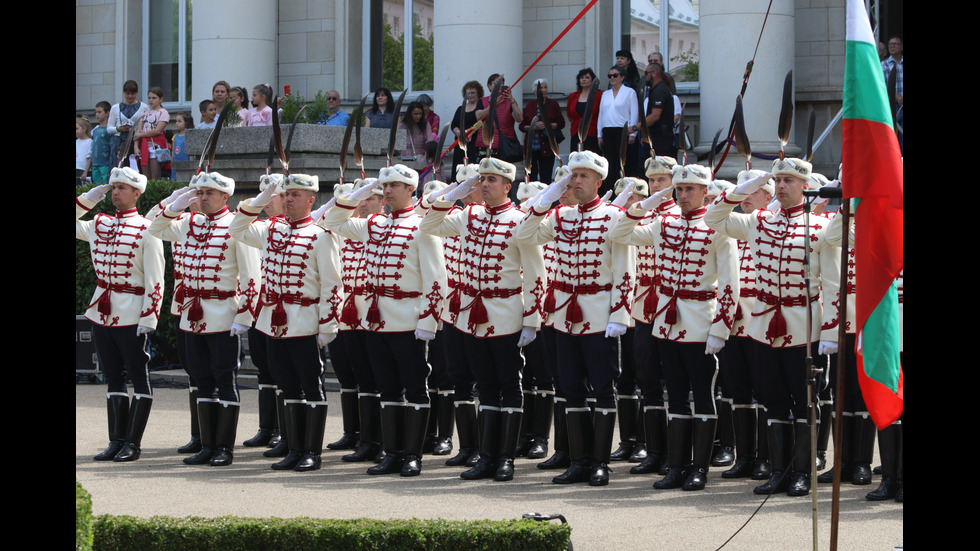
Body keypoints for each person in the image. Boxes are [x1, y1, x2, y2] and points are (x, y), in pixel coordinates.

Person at [705, 158, 840, 497]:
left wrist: (829, 332)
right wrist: (745, 188)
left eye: (788, 181)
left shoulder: (818, 226)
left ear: (805, 187)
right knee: (773, 399)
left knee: (804, 402)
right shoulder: (758, 221)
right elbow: (714, 217)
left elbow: (833, 284)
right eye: (777, 180)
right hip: (763, 323)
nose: (780, 186)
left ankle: (802, 472)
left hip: (802, 323)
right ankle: (778, 471)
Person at [612, 164, 738, 491]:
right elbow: (619, 233)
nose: (682, 195)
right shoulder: (663, 223)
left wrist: (720, 329)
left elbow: (729, 284)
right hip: (667, 322)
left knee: (703, 395)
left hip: (700, 321)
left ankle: (699, 468)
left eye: (690, 189)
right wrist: (646, 205)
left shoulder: (717, 227)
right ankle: (677, 467)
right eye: (679, 189)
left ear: (705, 192)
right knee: (676, 397)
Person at [421, 157, 546, 482]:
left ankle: (506, 459)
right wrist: (456, 191)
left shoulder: (520, 220)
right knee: (485, 386)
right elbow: (429, 224)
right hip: (468, 315)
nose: (485, 184)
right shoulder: (468, 215)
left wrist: (532, 319)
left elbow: (535, 273)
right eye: (482, 179)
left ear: (508, 186)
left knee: (509, 385)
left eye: (492, 180)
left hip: (505, 314)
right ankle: (486, 457)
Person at [320, 164, 447, 477]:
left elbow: (436, 279)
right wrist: (361, 192)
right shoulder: (373, 224)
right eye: (384, 186)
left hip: (408, 319)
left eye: (394, 186)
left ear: (410, 190)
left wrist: (428, 324)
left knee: (415, 388)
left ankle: (413, 455)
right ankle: (392, 453)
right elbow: (330, 220)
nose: (387, 191)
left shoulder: (423, 226)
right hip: (375, 320)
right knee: (387, 389)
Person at [518, 150, 634, 486]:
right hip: (563, 315)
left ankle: (600, 462)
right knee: (569, 388)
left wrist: (620, 315)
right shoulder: (561, 215)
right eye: (573, 175)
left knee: (602, 388)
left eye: (584, 176)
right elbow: (524, 235)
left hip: (599, 313)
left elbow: (626, 269)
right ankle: (579, 460)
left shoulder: (615, 216)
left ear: (599, 181)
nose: (576, 181)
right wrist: (546, 200)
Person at [230, 173, 342, 472]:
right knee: (287, 386)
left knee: (311, 386)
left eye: (295, 195)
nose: (289, 199)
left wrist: (327, 325)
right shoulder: (270, 231)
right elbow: (236, 227)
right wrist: (261, 198)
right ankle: (293, 448)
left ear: (311, 200)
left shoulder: (321, 236)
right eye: (286, 194)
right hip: (271, 322)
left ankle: (311, 453)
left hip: (304, 322)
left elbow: (333, 285)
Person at [149, 172, 261, 467]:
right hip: (191, 313)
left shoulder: (238, 226)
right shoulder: (188, 223)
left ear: (226, 197)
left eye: (209, 192)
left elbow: (252, 278)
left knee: (224, 378)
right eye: (200, 192)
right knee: (201, 380)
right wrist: (177, 202)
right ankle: (207, 444)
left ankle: (224, 447)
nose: (203, 197)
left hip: (223, 312)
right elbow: (155, 226)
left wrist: (245, 317)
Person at [77, 167, 165, 462]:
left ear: (137, 193)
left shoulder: (148, 228)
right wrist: (86, 201)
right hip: (101, 309)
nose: (115, 193)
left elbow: (156, 279)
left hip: (131, 311)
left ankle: (132, 443)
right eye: (113, 188)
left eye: (122, 188)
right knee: (113, 377)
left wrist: (148, 319)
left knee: (139, 376)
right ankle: (116, 440)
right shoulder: (98, 223)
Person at [718, 170, 775, 481]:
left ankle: (765, 458)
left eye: (756, 191)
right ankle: (744, 457)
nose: (748, 197)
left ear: (769, 197)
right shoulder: (732, 227)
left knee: (765, 389)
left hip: (763, 320)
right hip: (732, 320)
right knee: (738, 389)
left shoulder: (772, 225)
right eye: (745, 191)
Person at [597, 66, 639, 194]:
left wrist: (633, 133)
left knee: (621, 161)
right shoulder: (605, 94)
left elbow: (634, 112)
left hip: (623, 130)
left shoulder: (629, 92)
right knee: (609, 162)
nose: (612, 78)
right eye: (610, 76)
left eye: (615, 75)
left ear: (622, 77)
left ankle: (622, 189)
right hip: (608, 129)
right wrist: (599, 134)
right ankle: (609, 191)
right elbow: (601, 114)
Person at [520, 79, 565, 184]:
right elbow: (522, 126)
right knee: (532, 175)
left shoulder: (553, 104)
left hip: (548, 146)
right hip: (531, 147)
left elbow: (561, 123)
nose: (543, 90)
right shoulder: (530, 105)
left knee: (546, 175)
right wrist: (533, 126)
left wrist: (547, 125)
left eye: (545, 87)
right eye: (541, 88)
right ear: (535, 91)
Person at [474, 74, 524, 159]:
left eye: (501, 84)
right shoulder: (482, 101)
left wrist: (512, 100)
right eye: (495, 83)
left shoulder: (509, 102)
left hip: (505, 145)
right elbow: (478, 116)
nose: (499, 86)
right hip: (485, 144)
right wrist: (493, 105)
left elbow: (519, 119)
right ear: (489, 86)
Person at [107, 80, 149, 167]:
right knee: (118, 168)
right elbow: (109, 129)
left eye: (133, 94)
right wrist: (118, 129)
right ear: (123, 92)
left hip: (136, 141)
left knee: (135, 168)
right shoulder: (115, 108)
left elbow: (147, 126)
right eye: (127, 94)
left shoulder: (143, 107)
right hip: (119, 142)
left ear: (137, 93)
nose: (130, 96)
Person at [642, 62, 676, 159]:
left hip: (660, 139)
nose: (645, 76)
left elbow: (655, 116)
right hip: (656, 137)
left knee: (658, 169)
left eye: (646, 73)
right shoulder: (658, 89)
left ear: (654, 73)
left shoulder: (659, 91)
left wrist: (637, 127)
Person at [134, 86, 170, 180]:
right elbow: (138, 130)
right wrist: (136, 146)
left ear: (161, 99)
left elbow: (157, 130)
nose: (151, 100)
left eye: (154, 98)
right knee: (145, 177)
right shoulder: (145, 112)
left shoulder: (163, 112)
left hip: (156, 146)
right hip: (143, 147)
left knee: (155, 176)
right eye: (149, 98)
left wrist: (140, 135)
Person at [567, 68, 603, 154]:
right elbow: (570, 115)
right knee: (576, 160)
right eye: (582, 77)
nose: (584, 79)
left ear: (592, 80)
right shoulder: (572, 96)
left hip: (592, 133)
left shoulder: (599, 95)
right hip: (576, 133)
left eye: (587, 77)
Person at [452, 81, 483, 174]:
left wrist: (469, 134)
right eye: (468, 93)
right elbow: (453, 125)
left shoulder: (481, 107)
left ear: (478, 93)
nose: (470, 95)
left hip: (474, 144)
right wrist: (459, 133)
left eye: (473, 92)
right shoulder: (460, 108)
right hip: (460, 144)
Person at [399, 102, 436, 170]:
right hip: (405, 157)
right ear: (410, 114)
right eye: (415, 114)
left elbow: (430, 140)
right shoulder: (403, 125)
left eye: (420, 114)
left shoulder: (425, 124)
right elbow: (398, 142)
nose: (418, 116)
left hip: (420, 157)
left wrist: (426, 157)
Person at [881, 36, 903, 153]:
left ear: (902, 47)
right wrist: (897, 97)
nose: (892, 46)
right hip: (892, 106)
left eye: (895, 44)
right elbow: (882, 86)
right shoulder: (883, 66)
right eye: (890, 44)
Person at [90, 102, 113, 185]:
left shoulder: (109, 130)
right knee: (96, 187)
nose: (97, 114)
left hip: (105, 164)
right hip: (95, 163)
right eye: (96, 112)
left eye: (99, 112)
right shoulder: (95, 130)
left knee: (105, 187)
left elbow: (111, 147)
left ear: (107, 113)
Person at [171, 112, 193, 179]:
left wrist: (192, 165)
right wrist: (172, 163)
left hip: (186, 164)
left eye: (179, 121)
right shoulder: (175, 137)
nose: (176, 123)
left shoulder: (189, 136)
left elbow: (191, 153)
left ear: (186, 123)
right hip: (176, 164)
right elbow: (173, 151)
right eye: (176, 121)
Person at [77, 117, 93, 186]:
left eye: (77, 129)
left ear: (84, 129)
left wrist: (85, 171)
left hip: (83, 171)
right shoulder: (76, 142)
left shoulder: (90, 142)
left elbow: (89, 158)